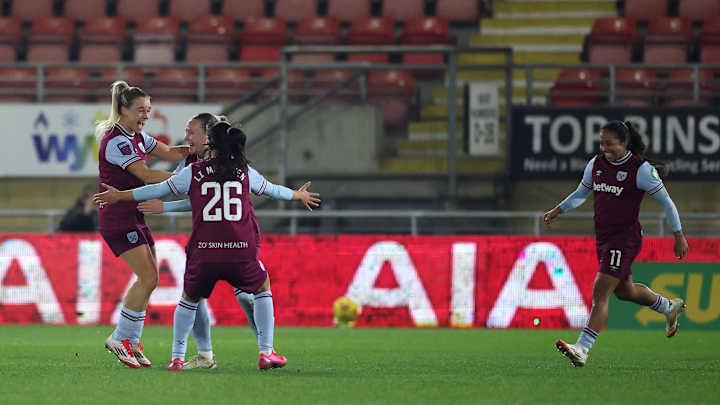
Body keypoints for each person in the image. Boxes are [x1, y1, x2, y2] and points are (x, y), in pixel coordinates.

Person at [93, 122, 320, 371]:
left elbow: (157, 189)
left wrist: (120, 196)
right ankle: (266, 352)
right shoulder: (244, 171)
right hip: (240, 249)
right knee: (262, 289)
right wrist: (298, 195)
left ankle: (177, 358)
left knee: (189, 300)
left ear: (211, 144)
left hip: (206, 251)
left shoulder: (195, 171)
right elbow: (273, 190)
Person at [543, 120, 689, 368]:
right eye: (602, 143)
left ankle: (582, 348)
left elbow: (668, 203)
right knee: (625, 291)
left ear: (624, 143)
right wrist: (558, 210)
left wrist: (678, 235)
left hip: (625, 238)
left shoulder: (640, 169)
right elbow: (581, 193)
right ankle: (668, 307)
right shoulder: (596, 164)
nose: (604, 148)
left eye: (609, 143)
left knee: (601, 291)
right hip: (603, 238)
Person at [95, 80, 190, 369]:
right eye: (140, 110)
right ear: (122, 110)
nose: (145, 115)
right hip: (118, 217)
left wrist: (196, 151)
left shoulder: (136, 136)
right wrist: (186, 180)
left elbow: (171, 153)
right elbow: (147, 175)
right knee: (148, 278)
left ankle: (130, 341)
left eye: (148, 110)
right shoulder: (117, 141)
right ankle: (121, 338)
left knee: (152, 279)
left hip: (134, 214)